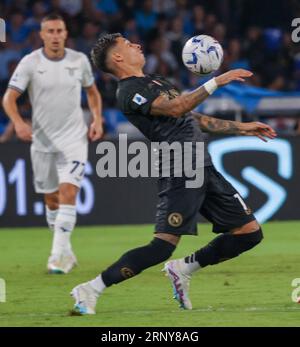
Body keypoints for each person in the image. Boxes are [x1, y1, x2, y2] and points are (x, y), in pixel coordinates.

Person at [70, 33, 276, 314]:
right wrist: (217, 81)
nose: (137, 45)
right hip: (180, 167)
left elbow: (191, 117)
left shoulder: (154, 81)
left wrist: (243, 127)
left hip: (202, 164)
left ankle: (183, 269)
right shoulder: (128, 91)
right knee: (162, 246)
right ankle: (90, 289)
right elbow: (177, 106)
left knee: (249, 233)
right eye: (129, 45)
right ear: (117, 57)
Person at [2, 14, 104, 274]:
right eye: (51, 31)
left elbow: (92, 92)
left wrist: (97, 119)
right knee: (52, 200)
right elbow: (9, 99)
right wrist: (19, 122)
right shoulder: (30, 63)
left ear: (66, 33)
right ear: (42, 34)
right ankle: (66, 252)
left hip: (74, 139)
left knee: (69, 192)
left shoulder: (79, 60)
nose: (56, 35)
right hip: (42, 141)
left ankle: (56, 258)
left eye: (60, 30)